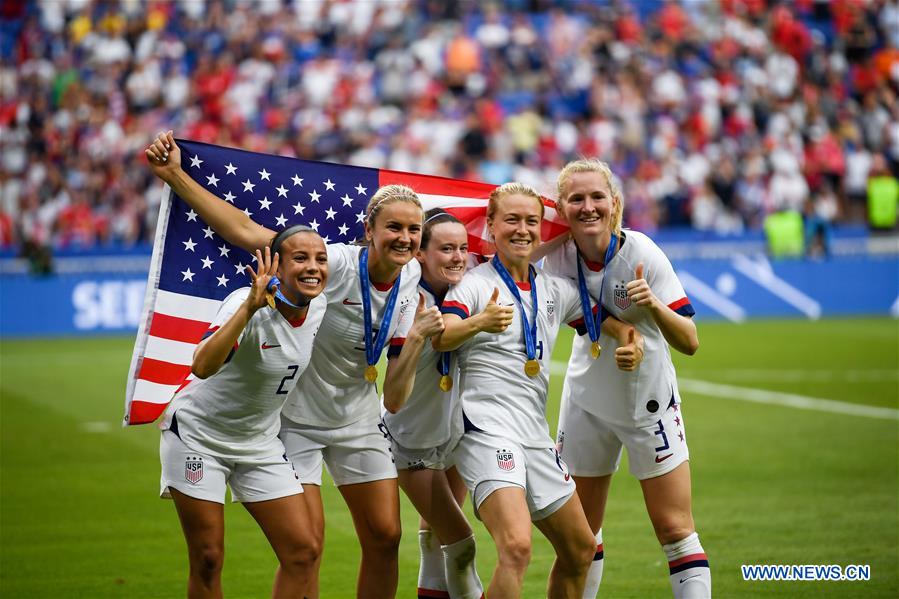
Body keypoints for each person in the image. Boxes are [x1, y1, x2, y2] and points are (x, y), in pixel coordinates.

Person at [146, 130, 430, 598]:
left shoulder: (410, 274)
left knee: (380, 536)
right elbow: (249, 235)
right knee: (269, 551)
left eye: (412, 229)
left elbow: (471, 252)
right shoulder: (329, 265)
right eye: (393, 228)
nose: (403, 238)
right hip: (289, 421)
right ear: (369, 233)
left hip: (351, 416)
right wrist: (176, 174)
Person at [433, 182, 643, 598]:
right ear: (491, 226)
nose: (523, 229)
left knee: (581, 549)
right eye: (511, 220)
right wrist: (479, 322)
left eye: (531, 221)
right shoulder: (474, 285)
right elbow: (442, 335)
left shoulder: (553, 290)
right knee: (516, 546)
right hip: (486, 430)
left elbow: (597, 318)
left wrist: (628, 337)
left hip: (534, 437)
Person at [542, 158, 709, 599]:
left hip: (646, 403)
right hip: (586, 401)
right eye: (576, 198)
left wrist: (653, 306)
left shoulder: (642, 252)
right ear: (561, 207)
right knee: (580, 536)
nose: (588, 206)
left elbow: (690, 341)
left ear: (614, 203)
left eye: (597, 196)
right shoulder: (555, 256)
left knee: (674, 528)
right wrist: (622, 333)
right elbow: (581, 316)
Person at [150, 219, 329, 598]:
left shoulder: (319, 306)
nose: (313, 267)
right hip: (200, 437)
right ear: (276, 266)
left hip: (259, 442)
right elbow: (202, 365)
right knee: (208, 558)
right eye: (300, 258)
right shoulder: (244, 303)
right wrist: (248, 308)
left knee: (303, 551)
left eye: (320, 259)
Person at [380, 209, 484, 599]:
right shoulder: (407, 305)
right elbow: (392, 398)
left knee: (435, 537)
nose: (458, 257)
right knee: (461, 545)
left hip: (451, 433)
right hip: (412, 441)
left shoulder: (464, 292)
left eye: (462, 248)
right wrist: (419, 338)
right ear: (421, 254)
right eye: (446, 249)